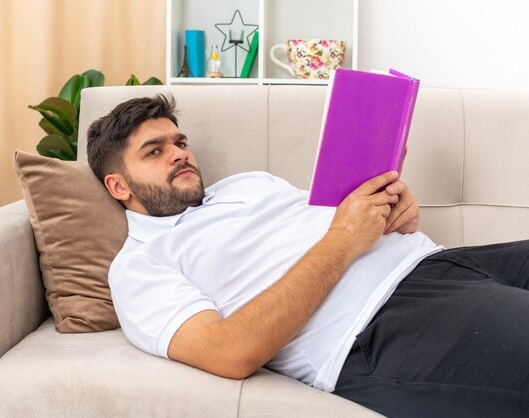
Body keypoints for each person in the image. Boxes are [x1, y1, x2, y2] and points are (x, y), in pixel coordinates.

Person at [87, 94, 528, 417]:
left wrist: (392, 208)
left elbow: (344, 218)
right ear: (119, 186)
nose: (179, 154)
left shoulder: (247, 183)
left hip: (439, 263)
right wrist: (343, 240)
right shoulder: (139, 265)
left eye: (179, 142)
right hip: (381, 326)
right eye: (155, 151)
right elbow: (229, 352)